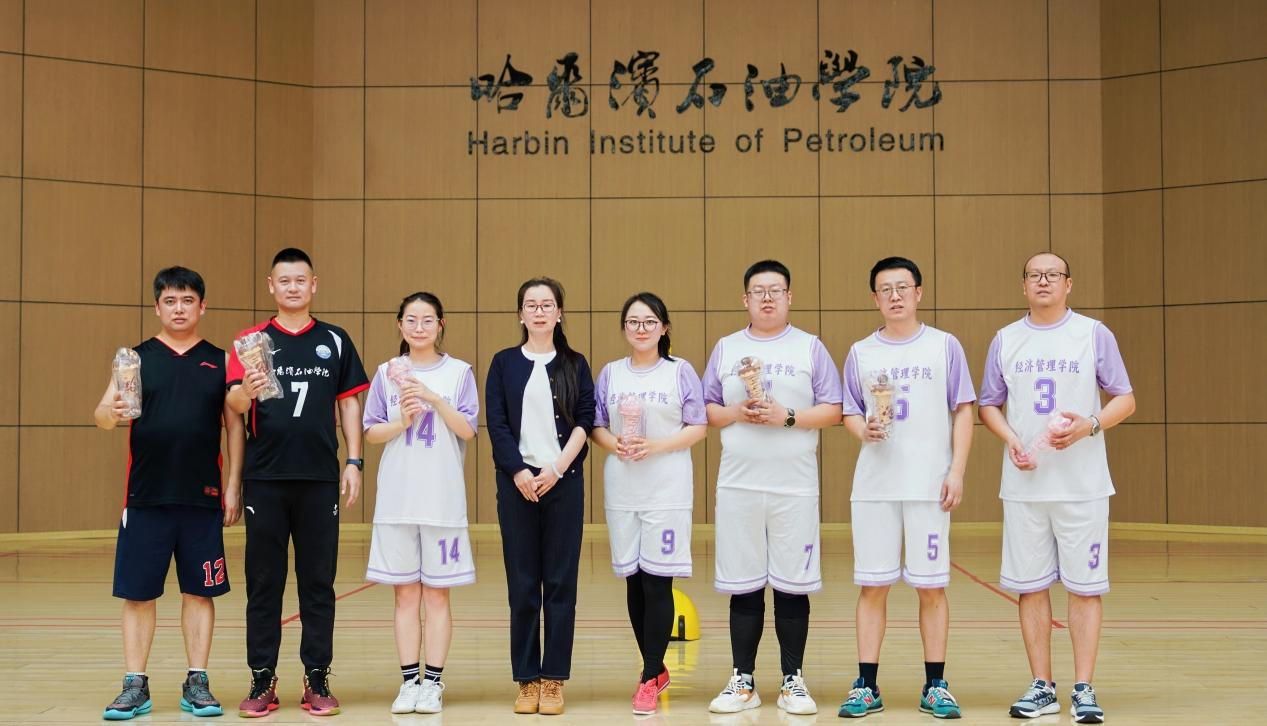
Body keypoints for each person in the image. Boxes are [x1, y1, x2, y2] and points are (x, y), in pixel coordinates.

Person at [978, 252, 1135, 724]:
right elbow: (988, 404)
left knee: (1084, 589)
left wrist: (1089, 425)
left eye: (1052, 274)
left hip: (1083, 487)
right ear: (1023, 285)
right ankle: (1042, 686)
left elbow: (1125, 399)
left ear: (1069, 284)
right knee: (1030, 588)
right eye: (1034, 275)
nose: (1043, 281)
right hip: (1025, 487)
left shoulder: (1092, 334)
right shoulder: (1006, 339)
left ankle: (1084, 688)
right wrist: (1011, 440)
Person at [93, 266, 243, 721]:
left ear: (202, 306)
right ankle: (134, 685)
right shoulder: (134, 360)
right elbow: (102, 413)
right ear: (157, 307)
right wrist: (113, 413)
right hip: (146, 497)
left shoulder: (220, 360)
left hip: (203, 497)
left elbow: (234, 427)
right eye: (170, 301)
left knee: (200, 592)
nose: (179, 309)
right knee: (138, 594)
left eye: (188, 301)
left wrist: (233, 486)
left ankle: (197, 681)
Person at [226, 248, 369, 718]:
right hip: (265, 479)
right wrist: (246, 390)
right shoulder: (251, 341)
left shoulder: (335, 340)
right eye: (283, 280)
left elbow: (349, 404)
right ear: (271, 285)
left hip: (319, 478)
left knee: (318, 582)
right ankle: (262, 678)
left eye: (300, 280)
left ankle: (317, 677)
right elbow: (233, 407)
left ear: (314, 285)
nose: (292, 287)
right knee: (263, 582)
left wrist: (354, 461)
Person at [703, 259, 843, 716]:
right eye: (759, 291)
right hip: (739, 485)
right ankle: (742, 680)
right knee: (744, 584)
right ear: (745, 299)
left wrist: (787, 416)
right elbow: (706, 409)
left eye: (776, 290)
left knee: (791, 585)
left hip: (794, 487)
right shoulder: (726, 348)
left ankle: (792, 680)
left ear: (789, 297)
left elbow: (834, 409)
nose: (767, 298)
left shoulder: (810, 347)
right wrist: (737, 412)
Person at [837, 257, 975, 719]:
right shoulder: (861, 352)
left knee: (931, 588)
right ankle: (866, 685)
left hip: (929, 486)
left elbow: (963, 409)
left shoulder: (944, 346)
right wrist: (863, 430)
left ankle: (936, 684)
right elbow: (849, 411)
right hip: (875, 487)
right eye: (885, 289)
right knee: (873, 586)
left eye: (902, 287)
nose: (894, 295)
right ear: (874, 298)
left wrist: (957, 470)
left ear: (918, 292)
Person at [591, 292, 708, 716]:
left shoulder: (679, 372)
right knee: (634, 580)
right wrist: (616, 444)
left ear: (664, 327)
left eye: (649, 322)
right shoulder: (610, 373)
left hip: (667, 488)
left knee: (658, 580)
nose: (641, 329)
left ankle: (648, 676)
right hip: (623, 488)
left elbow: (698, 426)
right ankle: (654, 669)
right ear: (624, 328)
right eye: (633, 322)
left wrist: (655, 446)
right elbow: (596, 426)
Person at [363, 292, 479, 715]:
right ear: (400, 325)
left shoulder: (459, 372)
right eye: (410, 320)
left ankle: (433, 682)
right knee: (405, 597)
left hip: (442, 502)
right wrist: (402, 421)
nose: (419, 327)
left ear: (440, 324)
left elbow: (468, 430)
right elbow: (371, 432)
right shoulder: (385, 373)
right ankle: (409, 681)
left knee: (437, 597)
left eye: (427, 319)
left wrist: (434, 398)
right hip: (397, 500)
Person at [484, 277, 595, 716]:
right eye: (531, 304)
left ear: (559, 313)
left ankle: (553, 680)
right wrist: (519, 472)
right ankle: (527, 679)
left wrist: (556, 469)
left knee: (561, 584)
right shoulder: (503, 363)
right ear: (520, 314)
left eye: (547, 304)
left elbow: (585, 422)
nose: (539, 311)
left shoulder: (575, 363)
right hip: (517, 487)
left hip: (563, 483)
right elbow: (497, 424)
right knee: (523, 585)